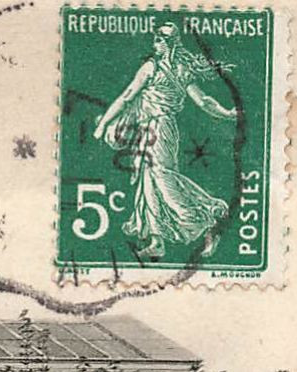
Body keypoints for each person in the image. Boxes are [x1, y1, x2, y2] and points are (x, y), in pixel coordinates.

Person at [92, 23, 237, 260]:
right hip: (146, 128)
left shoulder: (159, 68)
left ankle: (208, 219)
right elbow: (204, 102)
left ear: (169, 43)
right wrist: (227, 114)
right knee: (147, 180)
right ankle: (157, 240)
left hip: (160, 128)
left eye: (159, 39)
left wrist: (102, 125)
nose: (155, 42)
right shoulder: (172, 68)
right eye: (155, 38)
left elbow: (128, 97)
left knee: (162, 176)